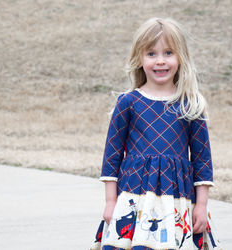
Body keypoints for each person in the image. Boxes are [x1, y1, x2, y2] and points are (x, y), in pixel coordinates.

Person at [91, 17, 221, 250]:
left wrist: (201, 205)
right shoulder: (128, 103)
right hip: (134, 200)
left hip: (177, 202)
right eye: (151, 54)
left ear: (181, 58)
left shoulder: (190, 104)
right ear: (139, 59)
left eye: (168, 53)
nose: (160, 61)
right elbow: (111, 157)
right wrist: (111, 202)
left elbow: (202, 160)